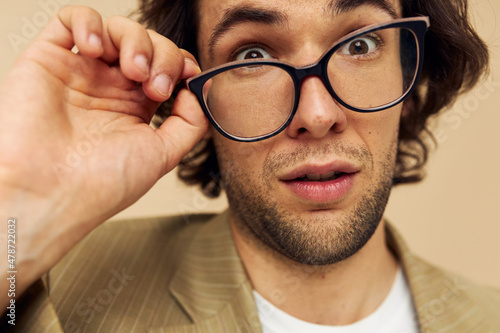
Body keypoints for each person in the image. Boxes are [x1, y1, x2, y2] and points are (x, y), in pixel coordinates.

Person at [1, 0, 499, 331]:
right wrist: (24, 200)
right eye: (252, 54)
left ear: (409, 76)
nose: (319, 115)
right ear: (192, 94)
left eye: (359, 45)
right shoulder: (47, 285)